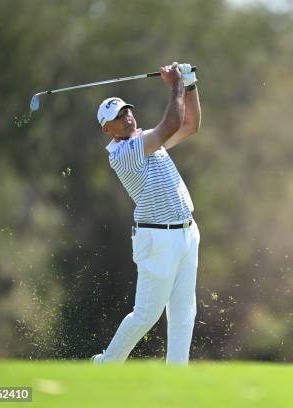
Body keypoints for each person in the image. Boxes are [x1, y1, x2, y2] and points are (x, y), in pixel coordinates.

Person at [91, 62, 201, 365]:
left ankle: (176, 377)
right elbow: (172, 124)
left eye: (127, 112)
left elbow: (189, 125)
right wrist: (175, 84)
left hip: (186, 233)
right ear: (107, 129)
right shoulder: (125, 153)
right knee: (146, 314)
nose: (126, 118)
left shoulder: (147, 140)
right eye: (118, 118)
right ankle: (105, 364)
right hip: (157, 238)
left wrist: (189, 84)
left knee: (184, 312)